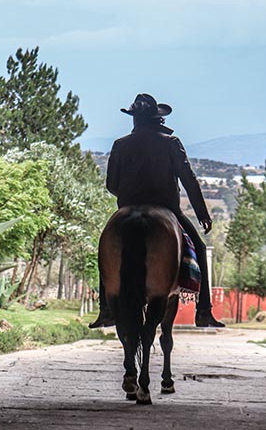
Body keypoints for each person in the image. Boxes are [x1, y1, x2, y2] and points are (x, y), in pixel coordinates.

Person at [89, 93, 225, 328]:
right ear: (156, 118)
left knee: (105, 248)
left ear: (135, 119)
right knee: (200, 249)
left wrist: (130, 195)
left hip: (127, 207)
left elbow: (111, 184)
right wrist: (202, 213)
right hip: (167, 208)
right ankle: (203, 310)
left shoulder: (120, 144)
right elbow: (189, 181)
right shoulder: (171, 143)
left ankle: (105, 310)